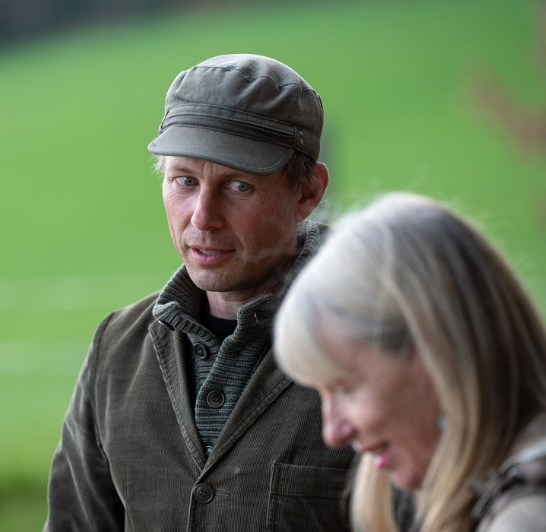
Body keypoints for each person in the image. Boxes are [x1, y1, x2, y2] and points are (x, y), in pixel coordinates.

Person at [44, 53, 358, 531]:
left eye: (238, 185)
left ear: (307, 194)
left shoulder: (374, 341)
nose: (202, 216)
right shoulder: (117, 350)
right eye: (184, 181)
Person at [274, 191, 546, 532]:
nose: (334, 433)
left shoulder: (532, 521)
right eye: (322, 394)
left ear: (437, 353)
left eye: (346, 388)